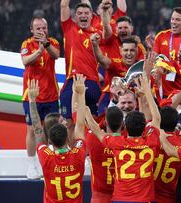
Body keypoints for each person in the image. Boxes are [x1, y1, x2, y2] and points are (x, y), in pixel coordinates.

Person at [85, 52, 161, 202]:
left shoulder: (117, 142)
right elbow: (155, 118)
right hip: (143, 198)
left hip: (120, 197)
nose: (126, 106)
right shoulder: (150, 140)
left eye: (129, 103)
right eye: (123, 103)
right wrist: (146, 87)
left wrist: (85, 110)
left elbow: (95, 129)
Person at [29, 74, 87, 202]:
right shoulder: (78, 154)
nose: (66, 122)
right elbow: (80, 125)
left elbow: (37, 130)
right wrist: (81, 94)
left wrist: (32, 101)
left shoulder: (46, 157)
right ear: (66, 135)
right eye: (63, 122)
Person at [20, 16, 60, 179]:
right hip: (32, 95)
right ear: (32, 30)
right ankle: (32, 166)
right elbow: (25, 61)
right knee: (31, 129)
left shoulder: (53, 42)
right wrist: (39, 50)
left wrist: (46, 44)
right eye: (38, 28)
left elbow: (56, 55)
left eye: (44, 28)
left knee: (51, 130)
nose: (42, 31)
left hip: (51, 94)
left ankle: (50, 163)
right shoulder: (26, 44)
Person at [59, 0, 102, 130]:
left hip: (91, 81)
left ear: (91, 16)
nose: (83, 15)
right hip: (72, 79)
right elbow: (63, 5)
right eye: (79, 13)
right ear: (75, 16)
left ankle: (90, 150)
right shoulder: (69, 28)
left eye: (86, 13)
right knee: (69, 122)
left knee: (92, 121)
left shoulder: (97, 33)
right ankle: (74, 151)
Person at [90, 34, 139, 115]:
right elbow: (101, 59)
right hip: (113, 105)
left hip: (134, 107)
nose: (129, 53)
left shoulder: (141, 66)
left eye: (132, 50)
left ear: (137, 50)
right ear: (120, 50)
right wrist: (95, 46)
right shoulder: (116, 63)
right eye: (126, 50)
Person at [85, 106, 124, 203]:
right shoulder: (127, 141)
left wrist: (86, 111)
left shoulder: (92, 138)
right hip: (121, 194)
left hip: (99, 196)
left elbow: (84, 123)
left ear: (106, 121)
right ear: (122, 123)